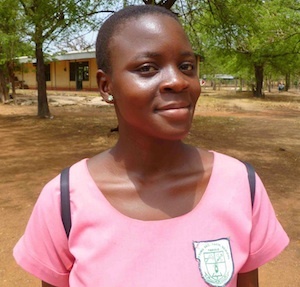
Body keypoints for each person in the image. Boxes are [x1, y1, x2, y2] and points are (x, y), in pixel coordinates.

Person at [13, 5, 289, 287]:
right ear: (106, 86)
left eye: (186, 67)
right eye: (147, 68)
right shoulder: (65, 201)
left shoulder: (240, 185)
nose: (177, 81)